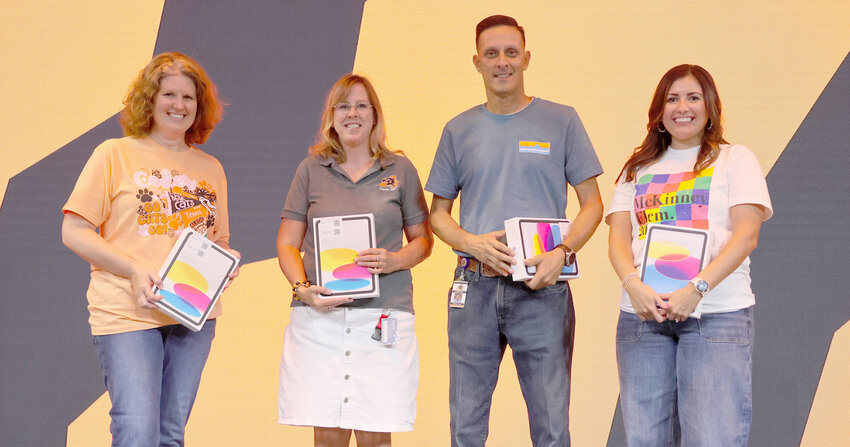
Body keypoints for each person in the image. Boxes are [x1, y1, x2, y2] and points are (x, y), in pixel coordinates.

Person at [425, 15, 604, 447]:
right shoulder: (458, 129)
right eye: (491, 54)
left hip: (543, 288)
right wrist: (469, 242)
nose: (501, 62)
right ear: (476, 62)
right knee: (465, 427)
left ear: (526, 58)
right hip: (474, 287)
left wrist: (562, 252)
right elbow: (438, 214)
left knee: (552, 430)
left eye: (510, 52)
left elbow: (593, 205)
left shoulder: (561, 120)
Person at [61, 52, 240, 446]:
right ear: (149, 100)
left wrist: (226, 262)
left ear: (200, 105)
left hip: (193, 315)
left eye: (189, 98)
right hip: (127, 311)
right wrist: (133, 270)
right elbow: (74, 230)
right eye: (169, 95)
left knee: (170, 435)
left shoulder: (211, 167)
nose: (179, 105)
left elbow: (219, 239)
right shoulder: (114, 153)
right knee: (138, 431)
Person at [606, 64, 773, 446]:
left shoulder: (735, 159)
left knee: (712, 437)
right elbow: (617, 239)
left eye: (693, 97)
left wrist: (696, 288)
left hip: (715, 315)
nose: (682, 106)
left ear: (710, 107)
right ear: (660, 112)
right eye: (672, 98)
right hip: (644, 317)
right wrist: (634, 286)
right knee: (645, 439)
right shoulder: (636, 169)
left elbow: (746, 236)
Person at [276, 74, 432, 447]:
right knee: (327, 435)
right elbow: (286, 244)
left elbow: (424, 242)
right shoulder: (310, 169)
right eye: (343, 105)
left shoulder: (400, 169)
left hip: (383, 316)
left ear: (375, 115)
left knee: (376, 435)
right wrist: (302, 289)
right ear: (331, 116)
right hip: (320, 317)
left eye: (361, 105)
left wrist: (394, 261)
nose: (352, 113)